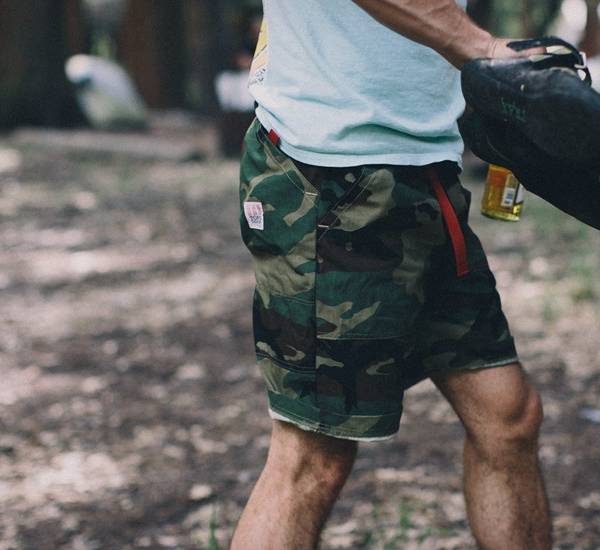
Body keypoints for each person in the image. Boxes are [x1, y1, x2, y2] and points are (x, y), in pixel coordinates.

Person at [233, 1, 552, 548]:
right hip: (330, 172)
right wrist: (481, 48)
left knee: (507, 416)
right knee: (312, 455)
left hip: (425, 170)